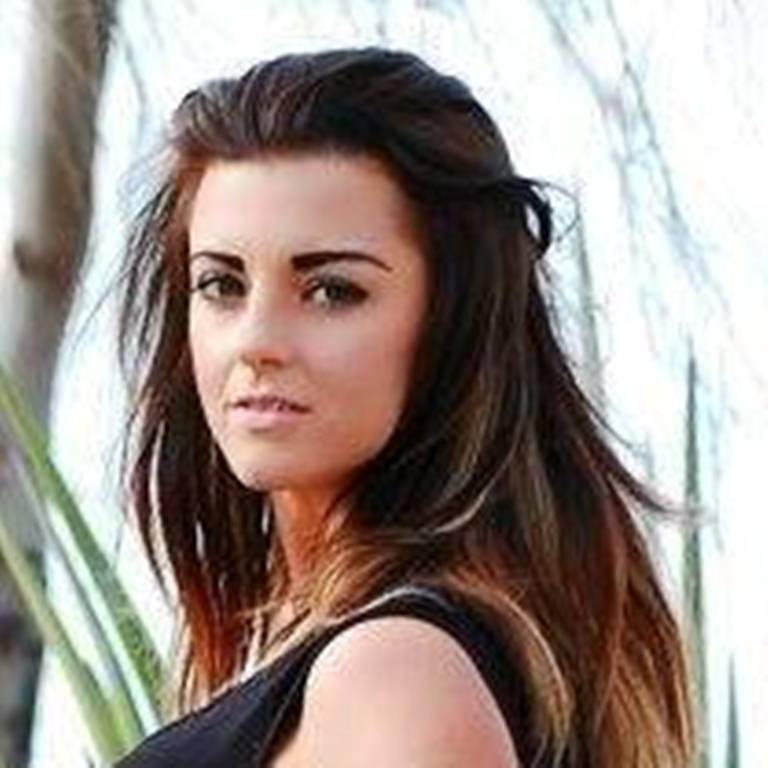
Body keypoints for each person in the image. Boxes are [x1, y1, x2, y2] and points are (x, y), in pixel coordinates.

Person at [113, 47, 696, 767]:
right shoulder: (348, 656)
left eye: (332, 291)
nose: (256, 341)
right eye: (221, 285)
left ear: (454, 321)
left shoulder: (395, 677)